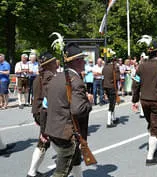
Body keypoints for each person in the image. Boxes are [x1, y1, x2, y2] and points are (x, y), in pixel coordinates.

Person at [45, 43, 93, 177]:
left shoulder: (56, 78)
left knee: (76, 160)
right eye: (82, 59)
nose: (84, 61)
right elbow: (78, 110)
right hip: (68, 133)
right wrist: (88, 102)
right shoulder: (76, 81)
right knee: (61, 173)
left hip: (54, 129)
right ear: (76, 61)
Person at [132, 41, 157, 166]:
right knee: (155, 128)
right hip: (156, 101)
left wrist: (134, 100)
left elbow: (136, 83)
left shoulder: (141, 66)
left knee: (151, 124)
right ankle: (150, 157)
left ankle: (154, 146)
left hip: (144, 101)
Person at [27, 52, 57, 177]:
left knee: (46, 141)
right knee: (48, 141)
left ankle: (32, 172)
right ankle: (32, 172)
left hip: (39, 112)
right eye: (54, 62)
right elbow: (50, 99)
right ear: (49, 64)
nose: (56, 64)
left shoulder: (39, 76)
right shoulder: (49, 77)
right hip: (45, 113)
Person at [102, 57, 120, 128]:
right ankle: (109, 122)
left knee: (112, 102)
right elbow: (118, 78)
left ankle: (113, 118)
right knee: (112, 104)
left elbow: (103, 76)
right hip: (112, 87)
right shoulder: (115, 67)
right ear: (114, 61)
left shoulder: (105, 67)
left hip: (106, 87)